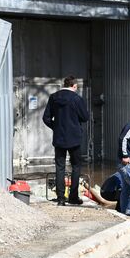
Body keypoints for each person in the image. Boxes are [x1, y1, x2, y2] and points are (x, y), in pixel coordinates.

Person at [42, 77, 91, 206]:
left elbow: (46, 118)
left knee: (60, 167)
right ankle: (73, 197)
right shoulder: (76, 99)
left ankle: (61, 199)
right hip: (74, 138)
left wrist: (56, 127)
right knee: (76, 166)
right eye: (77, 87)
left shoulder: (53, 97)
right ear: (74, 86)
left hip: (59, 138)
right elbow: (85, 117)